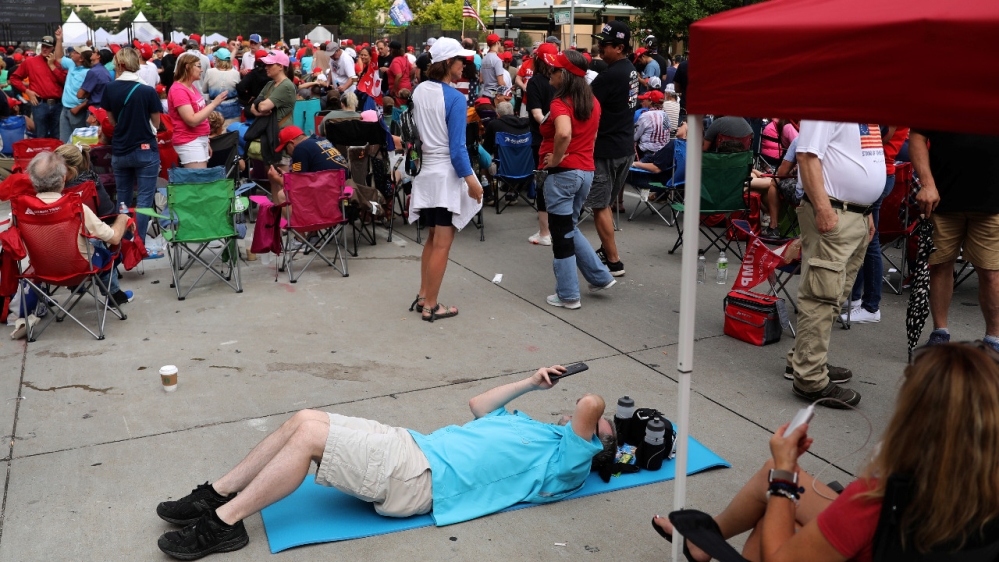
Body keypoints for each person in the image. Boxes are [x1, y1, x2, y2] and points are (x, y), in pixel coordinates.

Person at [154, 365, 612, 560]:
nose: (590, 427)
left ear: (596, 444)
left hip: (421, 478)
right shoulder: (532, 427)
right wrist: (532, 382)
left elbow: (591, 403)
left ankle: (225, 523)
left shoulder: (567, 465)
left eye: (598, 432)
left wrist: (599, 429)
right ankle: (216, 494)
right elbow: (478, 405)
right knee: (305, 418)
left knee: (310, 438)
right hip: (412, 445)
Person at [654, 342, 999, 562]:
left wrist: (785, 473)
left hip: (884, 532)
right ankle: (702, 542)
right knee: (771, 474)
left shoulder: (876, 501)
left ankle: (702, 540)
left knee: (771, 510)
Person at [786, 122, 885, 408]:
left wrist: (865, 211)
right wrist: (823, 209)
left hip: (851, 213)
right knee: (822, 297)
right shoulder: (828, 104)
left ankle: (805, 361)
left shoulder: (856, 104)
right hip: (835, 212)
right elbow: (807, 156)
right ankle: (810, 378)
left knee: (833, 296)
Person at [407, 38, 484, 322]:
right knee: (442, 242)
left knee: (432, 239)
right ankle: (431, 305)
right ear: (448, 62)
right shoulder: (454, 98)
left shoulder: (419, 90)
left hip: (425, 174)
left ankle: (424, 296)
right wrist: (472, 181)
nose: (464, 64)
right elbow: (458, 148)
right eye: (460, 60)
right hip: (444, 177)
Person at [538, 49, 615, 309]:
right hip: (585, 172)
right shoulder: (592, 102)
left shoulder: (560, 103)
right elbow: (592, 137)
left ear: (565, 74)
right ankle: (600, 277)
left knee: (561, 233)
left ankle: (568, 294)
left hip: (564, 173)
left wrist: (557, 159)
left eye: (554, 69)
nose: (550, 73)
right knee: (569, 226)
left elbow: (563, 133)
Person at [911, 130, 999, 350]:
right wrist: (927, 184)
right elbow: (917, 136)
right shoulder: (938, 104)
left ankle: (994, 340)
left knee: (990, 273)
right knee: (940, 265)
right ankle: (940, 332)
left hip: (992, 201)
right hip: (942, 197)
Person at [27, 152, 134, 305]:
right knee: (98, 245)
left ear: (32, 180)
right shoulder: (76, 207)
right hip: (79, 268)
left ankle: (41, 299)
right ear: (64, 178)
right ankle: (115, 295)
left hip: (41, 270)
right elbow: (114, 238)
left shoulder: (20, 211)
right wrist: (123, 218)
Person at [841, 126, 910, 325]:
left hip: (878, 171)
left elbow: (881, 135)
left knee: (869, 240)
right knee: (864, 238)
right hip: (878, 171)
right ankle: (856, 298)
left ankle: (870, 306)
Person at [588, 20, 639, 277]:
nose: (600, 48)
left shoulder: (609, 75)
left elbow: (583, 104)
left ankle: (614, 261)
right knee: (606, 204)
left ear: (619, 47)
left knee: (600, 205)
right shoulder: (630, 69)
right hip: (624, 146)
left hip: (607, 149)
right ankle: (606, 250)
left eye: (605, 45)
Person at [103, 46, 161, 243]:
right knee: (144, 200)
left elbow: (112, 121)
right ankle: (139, 243)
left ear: (120, 65)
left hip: (120, 148)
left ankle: (124, 242)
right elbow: (157, 123)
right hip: (145, 148)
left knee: (123, 198)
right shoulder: (147, 90)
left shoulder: (110, 88)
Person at [169, 54, 228, 168]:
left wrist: (205, 140)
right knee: (198, 178)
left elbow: (200, 115)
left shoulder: (190, 86)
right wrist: (214, 104)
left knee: (201, 177)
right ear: (187, 67)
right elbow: (192, 120)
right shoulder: (179, 90)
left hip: (198, 139)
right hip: (189, 141)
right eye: (198, 66)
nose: (202, 70)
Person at [265, 125, 348, 204]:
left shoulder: (300, 148)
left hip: (326, 191)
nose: (286, 153)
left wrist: (278, 179)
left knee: (283, 195)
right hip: (342, 186)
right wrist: (287, 177)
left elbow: (297, 186)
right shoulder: (321, 140)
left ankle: (294, 216)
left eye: (285, 149)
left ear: (291, 143)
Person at [9, 31, 66, 139]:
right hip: (39, 103)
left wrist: (53, 67)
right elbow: (14, 78)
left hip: (58, 104)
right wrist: (27, 91)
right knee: (41, 136)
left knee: (57, 136)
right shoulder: (31, 62)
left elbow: (64, 81)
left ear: (53, 48)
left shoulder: (59, 62)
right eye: (43, 46)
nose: (45, 49)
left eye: (48, 47)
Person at [55, 143, 115, 220]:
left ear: (72, 169)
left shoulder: (57, 186)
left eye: (57, 167)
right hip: (96, 224)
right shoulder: (93, 179)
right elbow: (108, 212)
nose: (53, 170)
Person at [248, 50, 296, 129]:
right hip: (271, 130)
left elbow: (263, 107)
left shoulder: (286, 85)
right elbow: (253, 107)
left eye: (270, 64)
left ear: (280, 67)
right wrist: (258, 107)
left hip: (281, 132)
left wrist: (258, 105)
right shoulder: (270, 84)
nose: (266, 67)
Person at [58, 47, 91, 143]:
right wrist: (59, 40)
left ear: (81, 58)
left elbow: (93, 95)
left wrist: (79, 107)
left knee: (79, 142)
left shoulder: (89, 72)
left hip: (78, 111)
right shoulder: (72, 64)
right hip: (65, 108)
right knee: (64, 141)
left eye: (76, 52)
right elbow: (58, 58)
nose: (72, 53)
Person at [202, 47, 241, 122]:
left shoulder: (210, 72)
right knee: (232, 129)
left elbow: (204, 90)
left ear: (217, 59)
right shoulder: (236, 73)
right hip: (232, 111)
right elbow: (239, 91)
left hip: (214, 112)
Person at [634, 90, 670, 159]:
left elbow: (635, 136)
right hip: (663, 153)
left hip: (646, 152)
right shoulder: (665, 115)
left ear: (650, 102)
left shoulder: (645, 115)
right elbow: (667, 135)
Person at [480, 34, 505, 98]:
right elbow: (500, 82)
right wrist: (507, 89)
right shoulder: (497, 60)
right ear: (497, 42)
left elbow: (481, 79)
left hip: (485, 93)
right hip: (494, 95)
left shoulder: (484, 59)